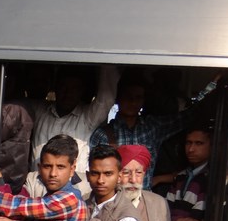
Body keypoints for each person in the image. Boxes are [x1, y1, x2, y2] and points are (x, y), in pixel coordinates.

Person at [89, 70, 218, 190]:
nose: (133, 102)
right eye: (128, 97)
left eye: (138, 97)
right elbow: (95, 174)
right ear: (118, 98)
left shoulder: (152, 127)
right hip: (115, 202)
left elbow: (190, 114)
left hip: (145, 201)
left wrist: (214, 83)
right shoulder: (103, 134)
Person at [31, 66, 119, 176]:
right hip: (38, 188)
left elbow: (106, 99)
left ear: (81, 91)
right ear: (56, 88)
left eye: (74, 89)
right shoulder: (39, 111)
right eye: (64, 87)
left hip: (75, 189)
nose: (68, 93)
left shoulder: (87, 117)